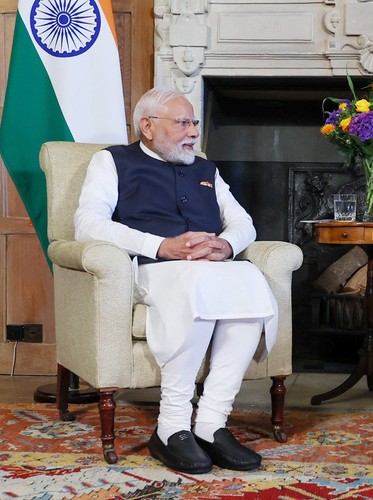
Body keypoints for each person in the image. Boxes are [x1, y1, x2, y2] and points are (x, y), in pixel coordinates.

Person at [75, 87, 279, 474]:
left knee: (251, 281)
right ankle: (170, 427)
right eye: (183, 123)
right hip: (150, 270)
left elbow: (243, 222)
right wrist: (161, 246)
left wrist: (226, 244)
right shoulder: (111, 161)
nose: (192, 133)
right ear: (148, 126)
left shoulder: (206, 169)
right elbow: (87, 225)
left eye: (195, 123)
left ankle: (211, 424)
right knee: (197, 283)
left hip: (205, 269)